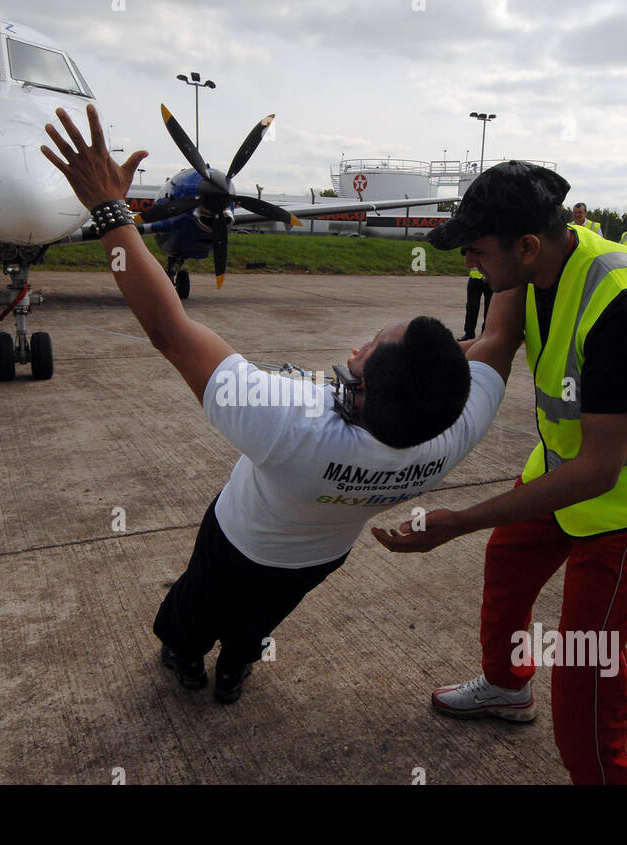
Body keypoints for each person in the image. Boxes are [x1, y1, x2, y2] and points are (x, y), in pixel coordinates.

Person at [40, 105, 512, 704]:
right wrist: (519, 247)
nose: (359, 344)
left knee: (195, 607)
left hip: (238, 541)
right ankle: (235, 669)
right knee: (259, 622)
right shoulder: (452, 435)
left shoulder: (292, 421)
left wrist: (110, 209)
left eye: (369, 347)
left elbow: (169, 329)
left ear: (362, 386)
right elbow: (500, 339)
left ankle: (185, 657)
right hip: (316, 560)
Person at [372, 161, 627, 785]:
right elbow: (493, 348)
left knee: (587, 668)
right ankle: (506, 687)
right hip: (565, 461)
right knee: (508, 563)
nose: (471, 265)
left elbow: (600, 471)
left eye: (476, 252)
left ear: (525, 245)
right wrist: (397, 384)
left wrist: (459, 520)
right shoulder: (525, 267)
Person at [460, 268, 492, 341]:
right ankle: (469, 333)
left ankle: (485, 334)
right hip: (474, 278)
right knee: (471, 308)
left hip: (490, 279)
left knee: (489, 308)